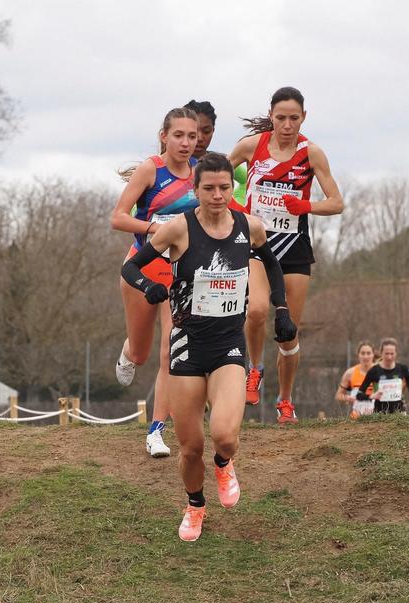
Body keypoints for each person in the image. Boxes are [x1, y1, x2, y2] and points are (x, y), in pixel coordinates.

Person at [121, 152, 297, 541]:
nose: (217, 196)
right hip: (187, 345)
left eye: (223, 188)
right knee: (189, 448)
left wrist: (281, 310)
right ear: (196, 189)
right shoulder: (176, 230)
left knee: (225, 436)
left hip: (227, 345)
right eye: (209, 189)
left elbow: (272, 265)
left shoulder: (248, 226)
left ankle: (224, 464)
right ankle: (195, 505)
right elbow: (130, 267)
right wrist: (149, 286)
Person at [228, 87, 344, 424]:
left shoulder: (312, 154)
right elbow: (214, 175)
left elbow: (336, 202)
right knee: (258, 310)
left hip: (294, 247)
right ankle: (255, 368)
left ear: (303, 117)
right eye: (281, 118)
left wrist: (305, 205)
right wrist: (236, 208)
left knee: (288, 330)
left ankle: (285, 400)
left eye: (294, 118)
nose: (287, 125)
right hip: (255, 243)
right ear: (271, 116)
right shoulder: (252, 147)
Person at [111, 107, 200, 457]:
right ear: (164, 135)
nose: (185, 142)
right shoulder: (152, 170)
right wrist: (154, 229)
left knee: (170, 350)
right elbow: (117, 218)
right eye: (178, 135)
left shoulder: (200, 173)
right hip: (142, 267)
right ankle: (128, 349)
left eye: (192, 137)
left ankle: (156, 430)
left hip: (179, 272)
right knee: (142, 351)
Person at [356, 338, 409, 414]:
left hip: (399, 412)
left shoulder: (402, 369)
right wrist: (372, 396)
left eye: (392, 354)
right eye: (386, 353)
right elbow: (359, 395)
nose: (389, 357)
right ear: (381, 353)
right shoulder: (374, 371)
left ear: (396, 353)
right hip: (380, 413)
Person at [335, 341, 376, 419]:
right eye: (362, 353)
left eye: (368, 353)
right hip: (357, 416)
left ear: (373, 354)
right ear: (358, 355)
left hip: (378, 415)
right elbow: (338, 395)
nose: (365, 356)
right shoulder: (350, 373)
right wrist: (347, 398)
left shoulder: (379, 371)